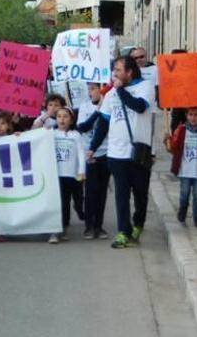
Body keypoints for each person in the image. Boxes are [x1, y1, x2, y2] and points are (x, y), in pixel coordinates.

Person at [89, 56, 156, 249]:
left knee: (140, 193)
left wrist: (119, 89)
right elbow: (103, 122)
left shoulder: (145, 86)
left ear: (129, 71)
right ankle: (123, 231)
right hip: (116, 152)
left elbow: (139, 106)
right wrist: (93, 147)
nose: (115, 74)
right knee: (121, 194)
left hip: (138, 151)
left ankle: (138, 223)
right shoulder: (111, 94)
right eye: (114, 70)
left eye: (118, 70)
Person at [77, 83, 110, 240]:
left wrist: (104, 108)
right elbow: (83, 127)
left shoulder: (109, 105)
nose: (90, 92)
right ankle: (89, 226)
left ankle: (99, 225)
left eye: (93, 89)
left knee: (102, 192)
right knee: (91, 191)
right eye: (88, 89)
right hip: (89, 154)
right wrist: (98, 111)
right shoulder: (84, 107)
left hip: (105, 152)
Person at [49, 107, 86, 244]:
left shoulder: (75, 135)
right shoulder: (51, 134)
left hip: (73, 175)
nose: (62, 119)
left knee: (77, 201)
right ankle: (60, 229)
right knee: (62, 202)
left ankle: (80, 211)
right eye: (59, 116)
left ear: (71, 120)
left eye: (65, 116)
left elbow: (81, 154)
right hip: (58, 174)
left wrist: (82, 171)